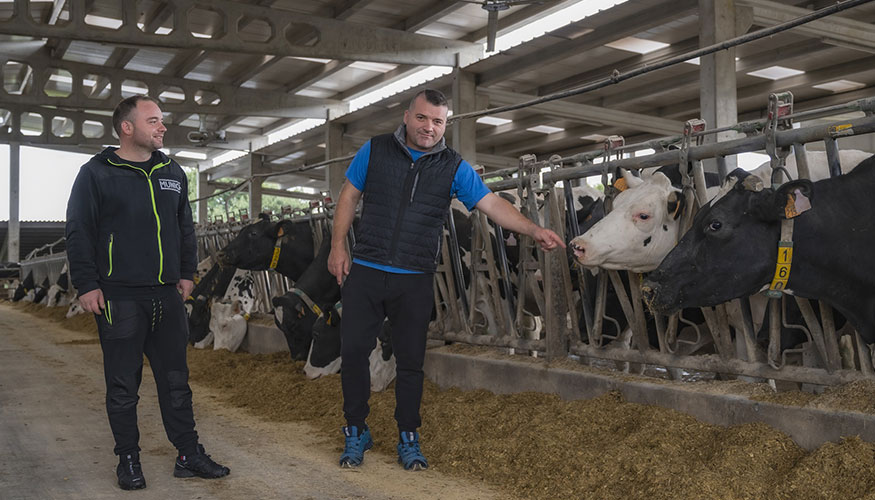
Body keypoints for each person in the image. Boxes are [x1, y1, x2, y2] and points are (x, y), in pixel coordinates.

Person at [327, 88, 565, 471]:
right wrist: (338, 246)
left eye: (437, 121)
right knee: (354, 353)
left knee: (410, 362)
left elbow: (491, 204)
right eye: (422, 118)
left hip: (415, 277)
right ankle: (356, 429)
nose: (429, 127)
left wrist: (532, 230)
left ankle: (408, 435)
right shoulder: (374, 150)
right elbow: (349, 195)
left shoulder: (454, 167)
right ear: (407, 117)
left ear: (445, 125)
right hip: (368, 269)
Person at [65, 95, 229, 490]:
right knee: (123, 385)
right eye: (153, 120)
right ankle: (128, 460)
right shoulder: (97, 173)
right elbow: (78, 230)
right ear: (127, 127)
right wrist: (87, 284)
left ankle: (188, 454)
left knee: (176, 381)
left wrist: (186, 274)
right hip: (118, 297)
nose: (162, 127)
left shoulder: (172, 171)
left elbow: (184, 226)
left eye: (162, 121)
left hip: (166, 296)